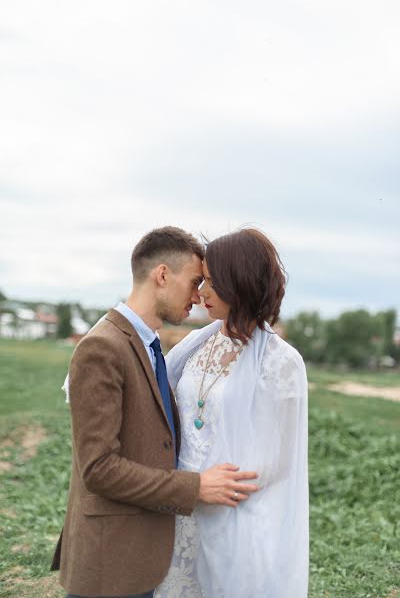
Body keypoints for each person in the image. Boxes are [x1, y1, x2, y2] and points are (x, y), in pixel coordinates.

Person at [51, 226, 260, 598]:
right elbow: (98, 468)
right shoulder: (103, 347)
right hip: (109, 560)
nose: (198, 296)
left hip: (140, 554)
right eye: (195, 281)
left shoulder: (149, 345)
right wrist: (196, 487)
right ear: (163, 275)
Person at [154, 228, 309, 598]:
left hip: (233, 513)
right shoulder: (194, 345)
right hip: (179, 506)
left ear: (239, 282)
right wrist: (185, 487)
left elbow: (276, 458)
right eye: (202, 280)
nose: (202, 292)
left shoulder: (281, 362)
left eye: (211, 281)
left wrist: (211, 486)